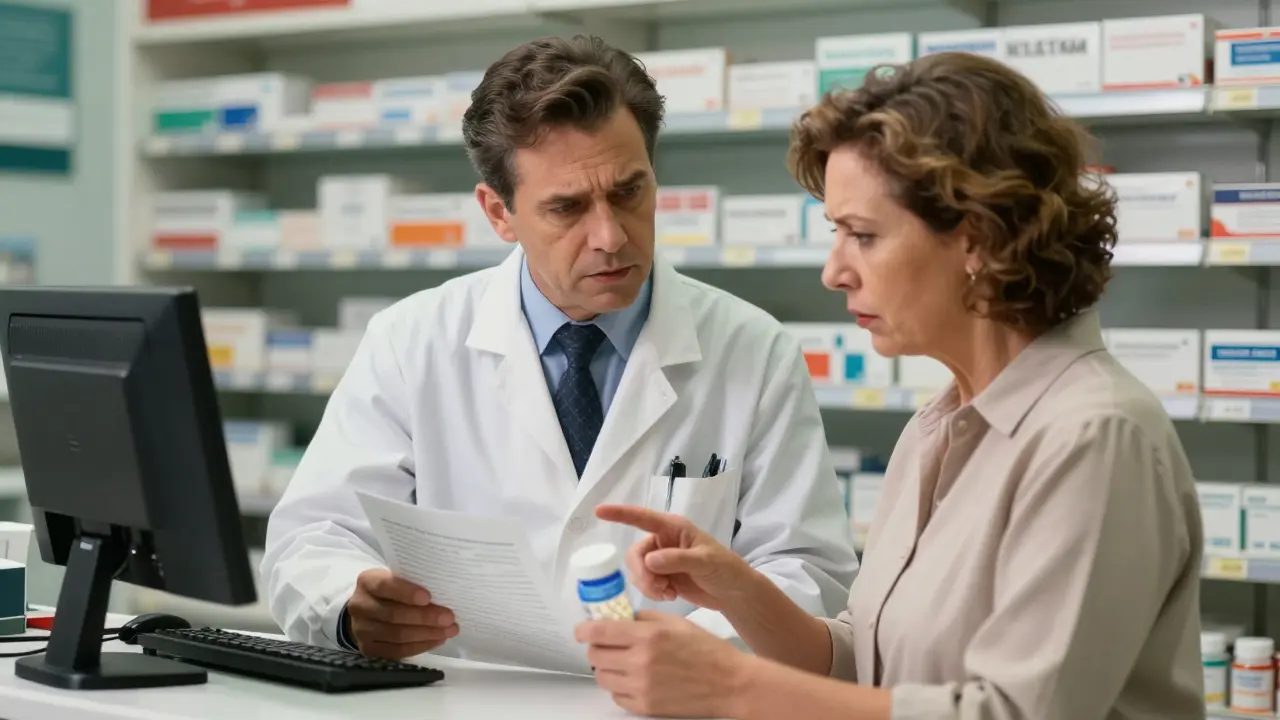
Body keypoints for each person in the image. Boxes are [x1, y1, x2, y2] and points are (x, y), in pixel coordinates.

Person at [575, 52, 1205, 720]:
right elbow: (870, 671)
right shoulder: (939, 427)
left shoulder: (1094, 437)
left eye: (863, 236)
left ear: (979, 238)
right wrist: (738, 589)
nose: (834, 272)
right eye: (835, 233)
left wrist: (728, 686)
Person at [260, 35, 859, 663]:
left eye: (629, 192)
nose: (609, 236)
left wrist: (693, 653)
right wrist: (351, 607)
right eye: (566, 208)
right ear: (499, 213)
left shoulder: (753, 349)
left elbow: (808, 571)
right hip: (469, 702)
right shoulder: (412, 341)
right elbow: (312, 535)